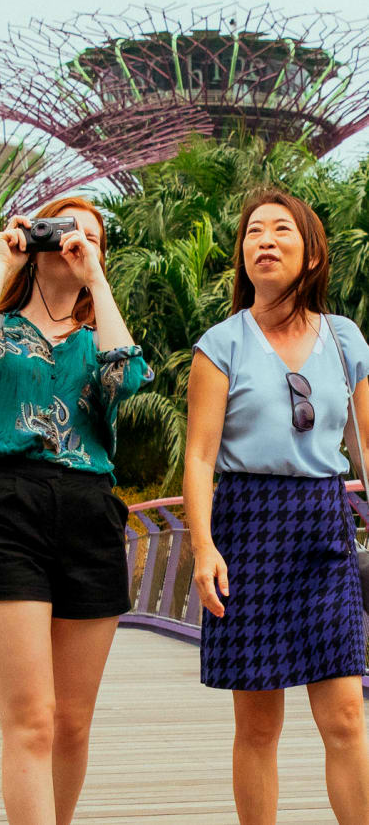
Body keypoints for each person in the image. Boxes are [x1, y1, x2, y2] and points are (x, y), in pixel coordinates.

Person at [0, 195, 152, 824]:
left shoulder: (95, 340)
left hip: (89, 510)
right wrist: (4, 262)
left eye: (91, 237)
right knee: (31, 720)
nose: (73, 241)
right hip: (6, 505)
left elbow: (127, 375)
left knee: (73, 722)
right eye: (61, 228)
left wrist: (96, 281)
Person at [184, 188, 369, 823]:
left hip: (323, 525)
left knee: (346, 714)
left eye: (281, 230)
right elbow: (200, 456)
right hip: (247, 528)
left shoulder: (345, 340)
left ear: (312, 254)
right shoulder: (221, 343)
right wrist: (203, 547)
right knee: (259, 723)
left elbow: (365, 445)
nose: (264, 240)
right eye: (253, 232)